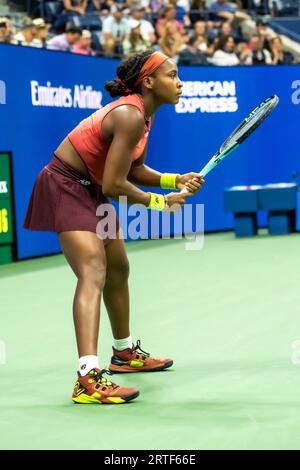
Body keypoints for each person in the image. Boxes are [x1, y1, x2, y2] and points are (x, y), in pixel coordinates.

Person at [23, 50, 205, 405]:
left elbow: (131, 170)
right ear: (149, 82)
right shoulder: (128, 114)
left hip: (90, 188)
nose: (179, 82)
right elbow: (114, 185)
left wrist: (173, 180)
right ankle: (87, 379)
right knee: (94, 270)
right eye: (171, 75)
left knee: (118, 267)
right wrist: (159, 202)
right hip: (65, 184)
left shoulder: (143, 116)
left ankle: (123, 354)